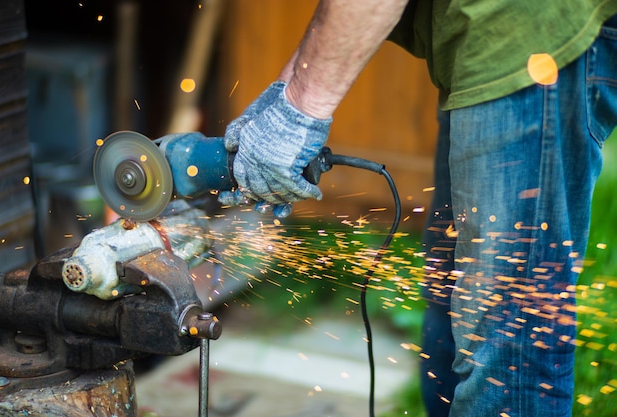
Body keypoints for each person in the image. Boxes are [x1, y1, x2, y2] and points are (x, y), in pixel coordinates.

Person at [217, 1, 617, 416]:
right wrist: (281, 99)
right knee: (451, 297)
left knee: (506, 342)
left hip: (530, 39)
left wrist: (296, 114)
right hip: (481, 42)